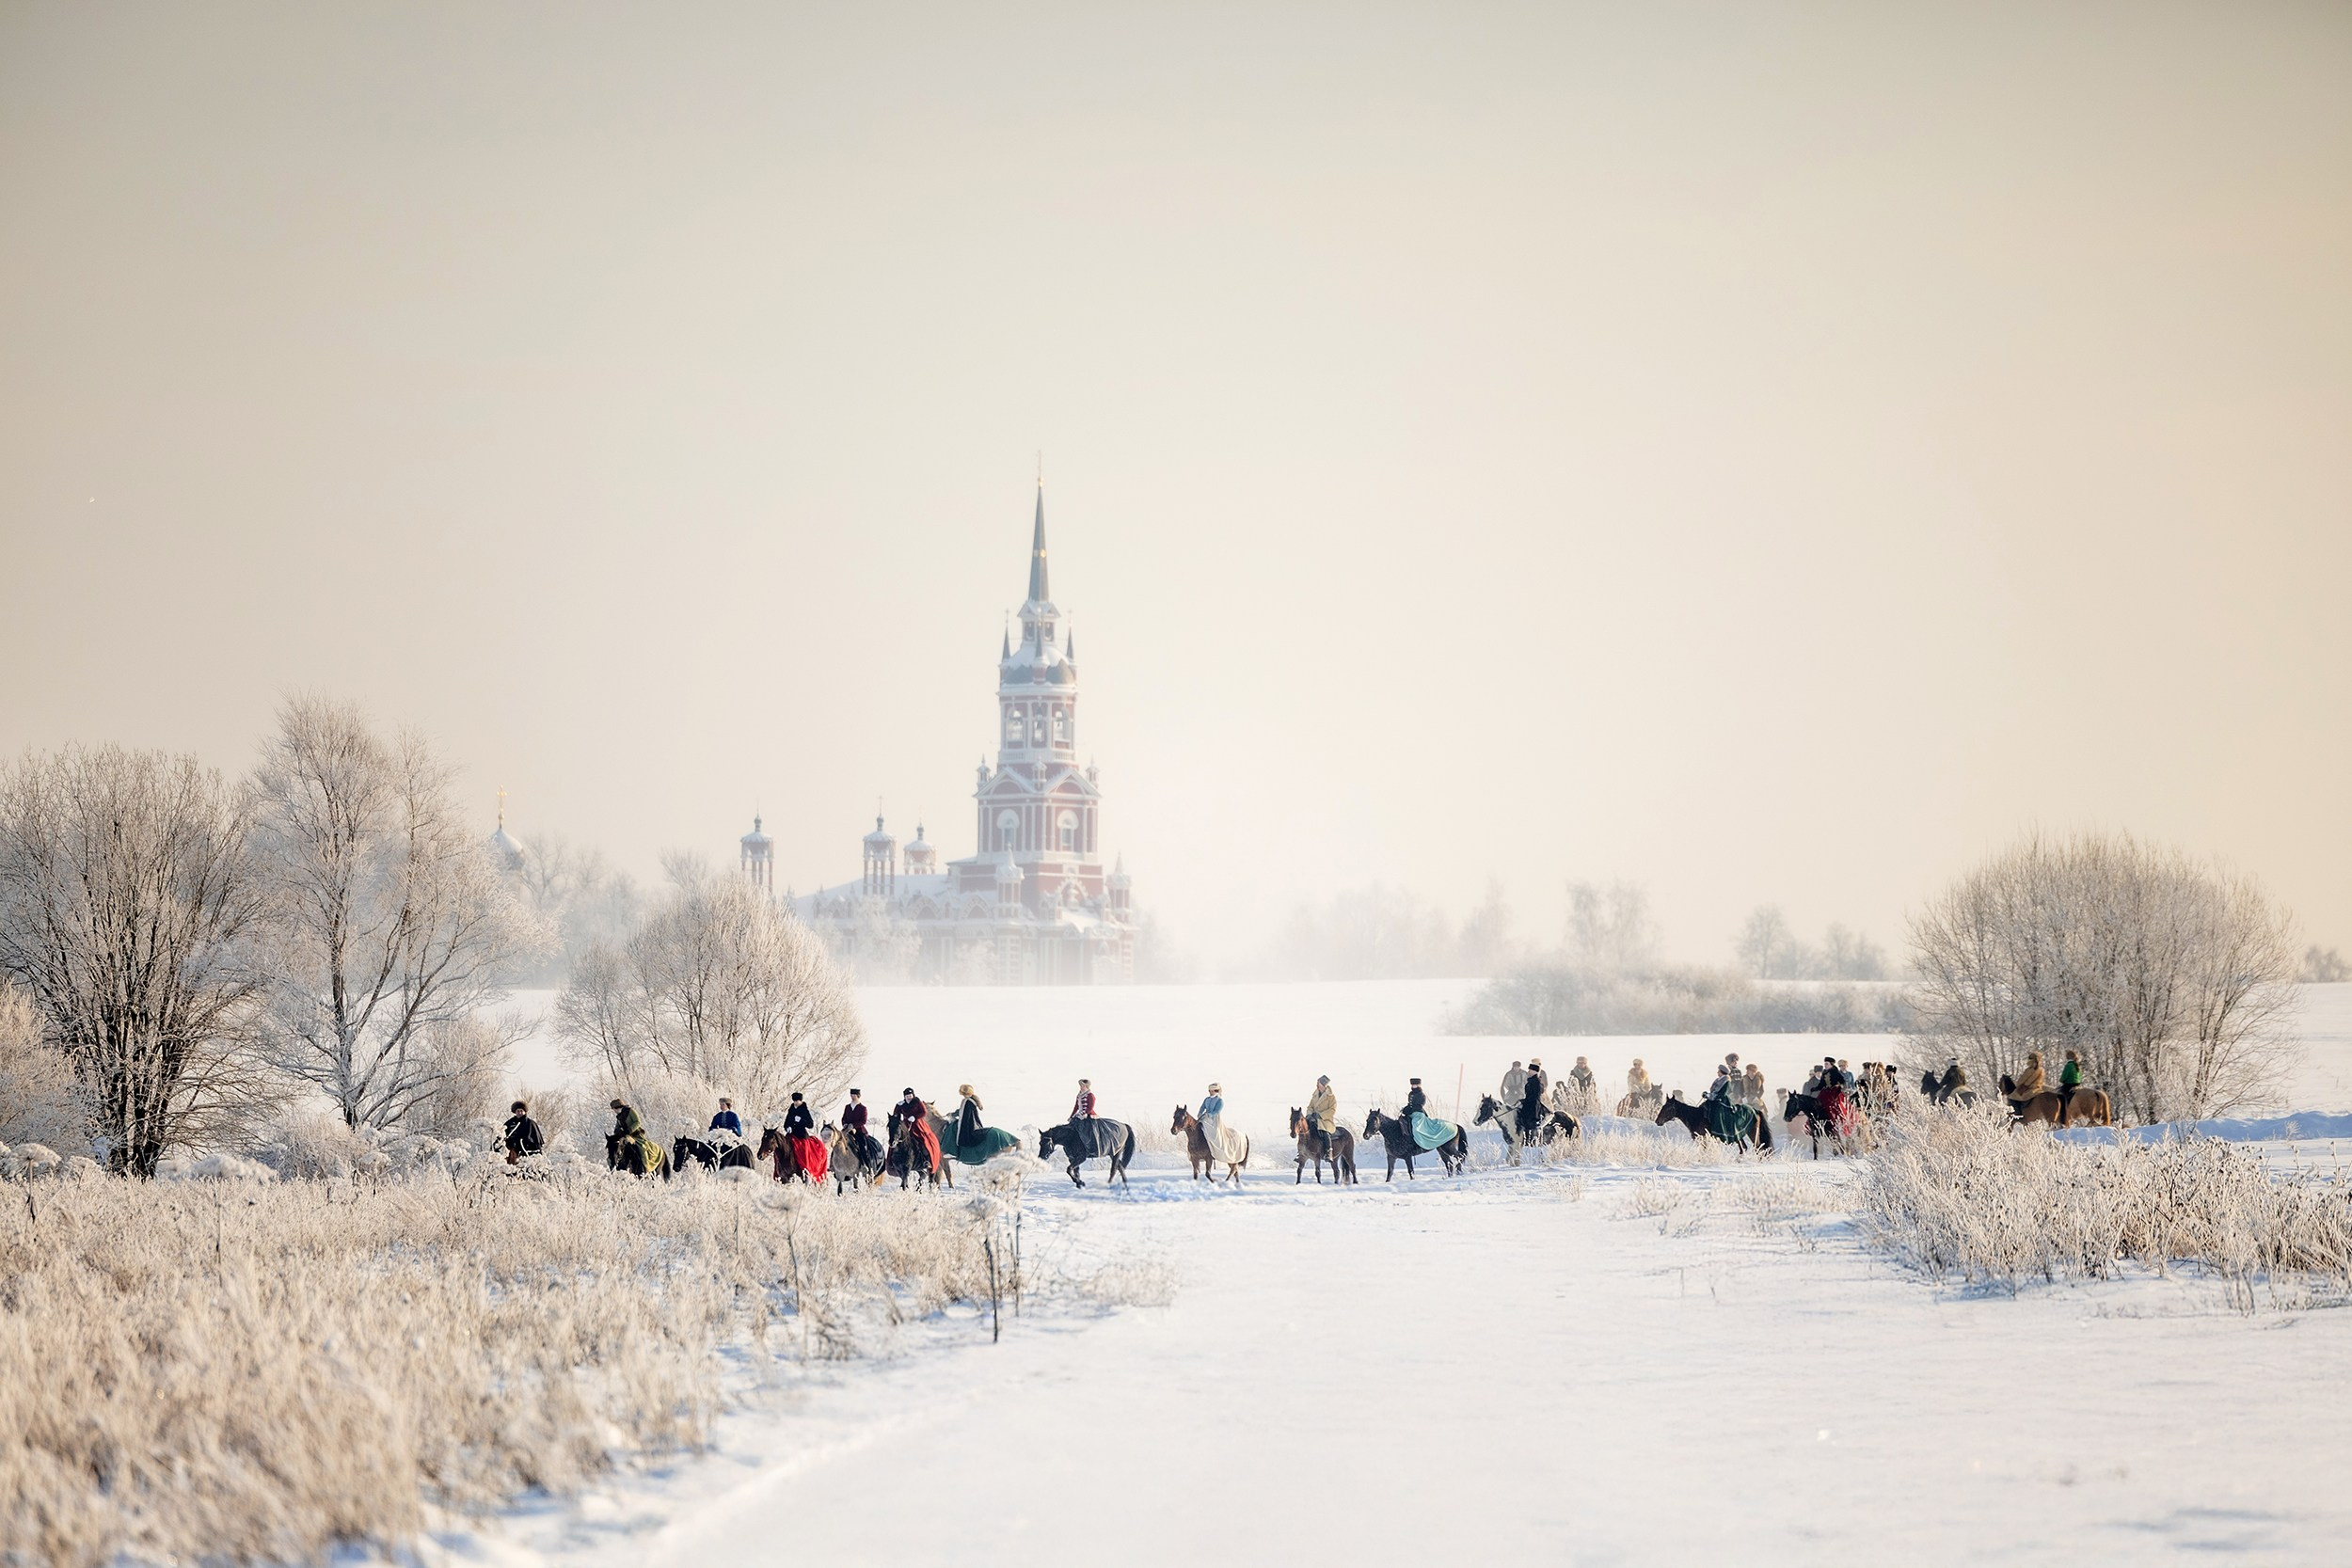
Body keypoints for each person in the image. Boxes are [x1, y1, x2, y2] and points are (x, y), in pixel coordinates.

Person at [894, 1086, 940, 1175]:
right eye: (907, 1096)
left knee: (923, 1141)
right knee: (897, 1140)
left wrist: (915, 1117)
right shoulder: (902, 1104)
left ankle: (926, 1160)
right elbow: (896, 1115)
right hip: (906, 1125)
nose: (909, 1097)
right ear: (904, 1097)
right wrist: (897, 1107)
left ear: (913, 1095)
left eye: (910, 1095)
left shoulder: (918, 1102)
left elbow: (924, 1112)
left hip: (918, 1124)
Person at [1198, 1083, 1240, 1164]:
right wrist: (1200, 1113)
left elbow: (1217, 1111)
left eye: (1212, 1091)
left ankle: (1215, 1149)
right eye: (1210, 1091)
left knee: (1214, 1133)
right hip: (1205, 1117)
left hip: (1214, 1119)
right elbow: (1202, 1107)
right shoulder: (1207, 1099)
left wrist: (1209, 1115)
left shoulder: (1220, 1100)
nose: (1211, 1092)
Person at [841, 1089, 878, 1166]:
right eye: (851, 1095)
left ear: (858, 1096)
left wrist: (853, 1125)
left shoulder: (863, 1108)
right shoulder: (847, 1107)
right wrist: (844, 1124)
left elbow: (863, 1121)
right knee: (837, 1142)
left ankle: (867, 1165)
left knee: (863, 1146)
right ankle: (832, 1165)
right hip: (847, 1130)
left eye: (854, 1095)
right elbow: (844, 1118)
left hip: (859, 1131)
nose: (852, 1097)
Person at [501, 1100, 543, 1164]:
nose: (519, 1113)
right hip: (512, 1151)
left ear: (525, 1112)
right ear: (515, 1112)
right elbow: (503, 1133)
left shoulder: (530, 1123)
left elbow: (535, 1140)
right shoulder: (510, 1123)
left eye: (521, 1111)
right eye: (518, 1111)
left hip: (526, 1151)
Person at [1070, 1078, 1100, 1158]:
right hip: (1080, 1115)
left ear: (1087, 1086)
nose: (1081, 1087)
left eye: (1082, 1086)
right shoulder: (1079, 1095)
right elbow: (1076, 1106)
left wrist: (1084, 1113)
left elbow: (1090, 1107)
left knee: (1090, 1129)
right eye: (1080, 1086)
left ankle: (1093, 1144)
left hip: (1089, 1115)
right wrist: (1072, 1116)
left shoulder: (1090, 1095)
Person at [1307, 1075, 1339, 1151]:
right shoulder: (1315, 1095)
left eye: (1318, 1083)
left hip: (1325, 1121)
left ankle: (1328, 1151)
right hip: (1313, 1118)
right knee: (1304, 1129)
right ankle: (1301, 1151)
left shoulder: (1331, 1097)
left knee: (1324, 1131)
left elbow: (1332, 1110)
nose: (1317, 1085)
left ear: (1324, 1085)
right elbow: (1310, 1106)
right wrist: (1309, 1114)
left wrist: (1320, 1115)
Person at [1516, 1066, 1548, 1140]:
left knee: (1530, 1121)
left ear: (1535, 1071)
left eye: (1530, 1070)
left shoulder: (1536, 1083)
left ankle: (1531, 1138)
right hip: (1529, 1105)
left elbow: (1534, 1097)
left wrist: (1524, 1101)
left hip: (1533, 1107)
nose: (1528, 1072)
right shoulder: (1530, 1082)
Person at [2059, 1050, 2084, 1117]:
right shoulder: (2077, 1066)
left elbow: (2064, 1076)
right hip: (2077, 1085)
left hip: (2069, 1085)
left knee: (2060, 1098)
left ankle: (2063, 1114)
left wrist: (2061, 1080)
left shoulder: (2068, 1065)